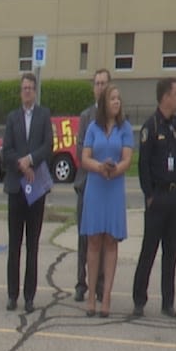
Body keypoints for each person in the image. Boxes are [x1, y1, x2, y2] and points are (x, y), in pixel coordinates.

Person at [132, 77, 176, 318]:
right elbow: (142, 165)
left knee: (172, 251)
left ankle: (168, 302)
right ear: (165, 96)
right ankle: (139, 299)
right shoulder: (151, 127)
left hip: (175, 197)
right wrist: (150, 195)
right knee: (149, 250)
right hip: (158, 198)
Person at [79, 84, 133, 318]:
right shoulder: (93, 127)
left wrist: (115, 169)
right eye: (112, 98)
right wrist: (100, 167)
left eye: (118, 98)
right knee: (94, 241)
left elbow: (128, 158)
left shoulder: (125, 128)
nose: (116, 102)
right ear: (104, 103)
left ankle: (106, 296)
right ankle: (90, 295)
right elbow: (84, 157)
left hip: (114, 188)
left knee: (111, 241)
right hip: (96, 186)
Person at [2, 73, 53, 313]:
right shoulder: (12, 118)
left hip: (36, 190)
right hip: (16, 188)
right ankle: (12, 295)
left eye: (31, 88)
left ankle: (29, 295)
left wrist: (31, 160)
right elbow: (7, 150)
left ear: (35, 91)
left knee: (33, 244)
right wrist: (21, 164)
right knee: (15, 245)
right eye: (24, 88)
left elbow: (48, 145)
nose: (28, 92)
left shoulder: (44, 116)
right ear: (20, 91)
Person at [74, 69, 110, 303]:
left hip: (107, 185)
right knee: (85, 236)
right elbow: (80, 150)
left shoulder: (117, 117)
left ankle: (101, 284)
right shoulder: (86, 117)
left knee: (105, 238)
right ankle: (81, 282)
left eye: (104, 83)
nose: (100, 87)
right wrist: (97, 163)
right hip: (87, 183)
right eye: (96, 83)